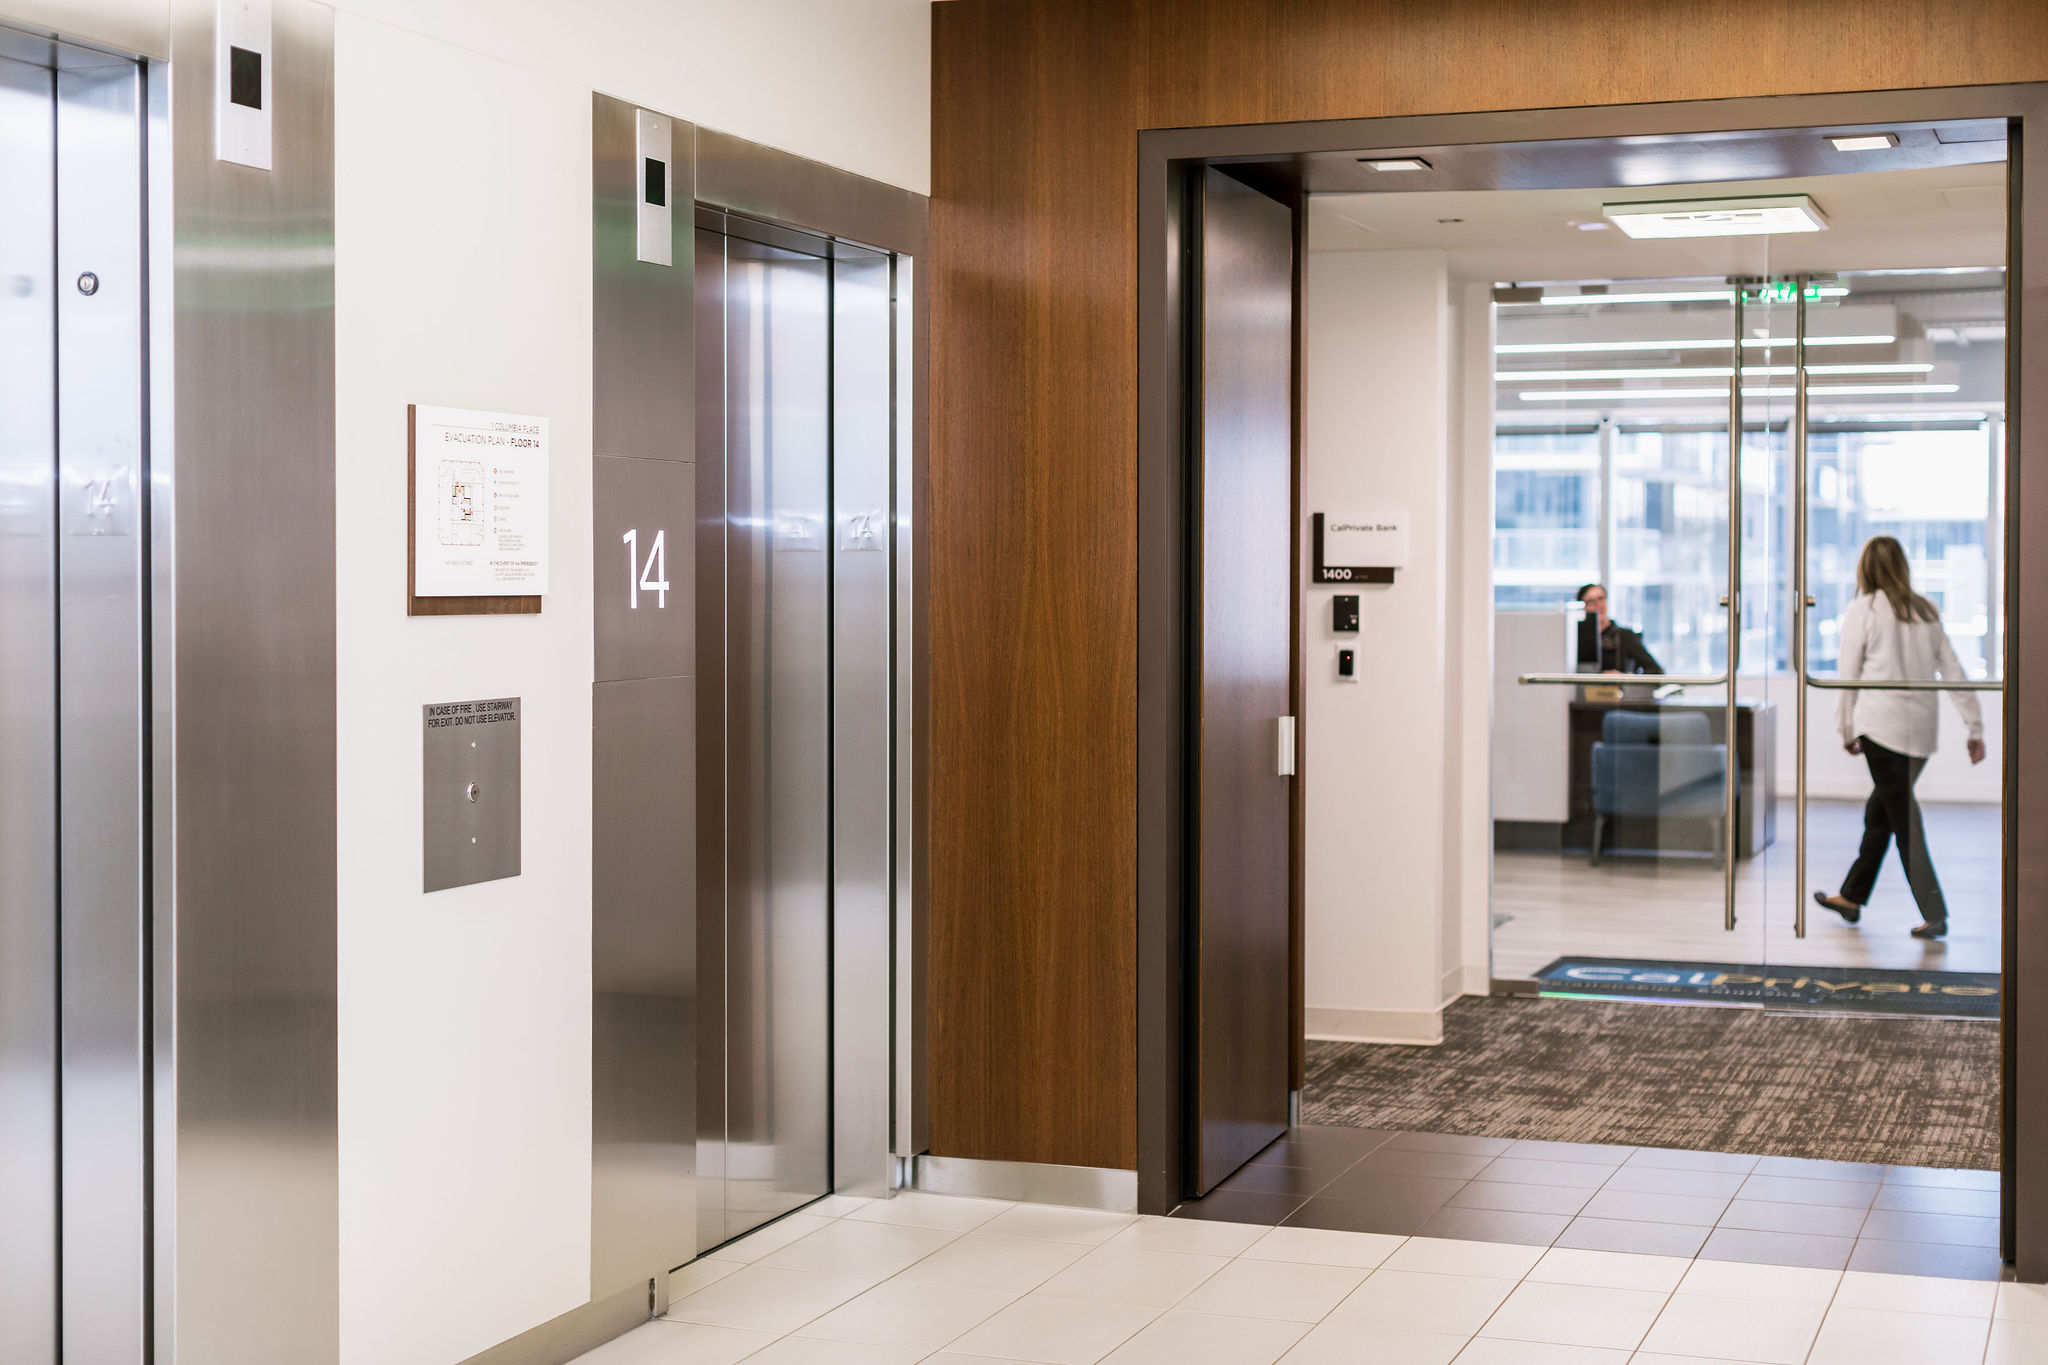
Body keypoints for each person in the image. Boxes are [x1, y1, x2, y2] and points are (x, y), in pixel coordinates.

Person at [1813, 536, 1986, 940]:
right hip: (1921, 734)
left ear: (1865, 569)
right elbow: (1954, 670)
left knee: (1903, 821)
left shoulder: (1864, 608)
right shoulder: (1925, 609)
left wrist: (1845, 728)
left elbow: (1848, 676)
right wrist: (1973, 726)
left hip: (1880, 729)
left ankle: (1934, 912)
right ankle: (1852, 897)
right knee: (1882, 815)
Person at [1575, 583, 1664, 675]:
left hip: (1617, 688)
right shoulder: (1575, 638)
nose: (1598, 605)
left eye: (1601, 598)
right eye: (1590, 601)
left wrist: (1624, 678)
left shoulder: (1624, 636)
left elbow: (1655, 669)